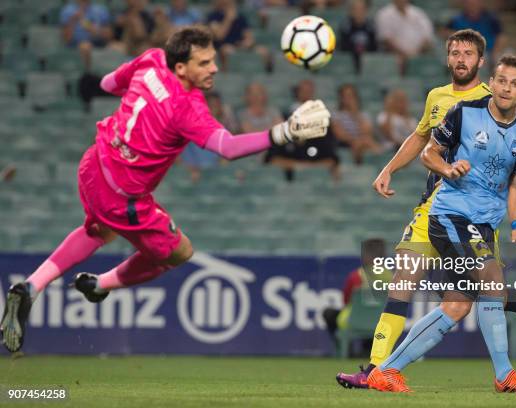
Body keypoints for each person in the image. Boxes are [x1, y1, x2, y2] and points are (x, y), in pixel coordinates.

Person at [0, 26, 330, 353]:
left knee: (100, 230)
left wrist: (142, 97)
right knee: (180, 252)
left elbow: (107, 83)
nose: (214, 68)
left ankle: (32, 286)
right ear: (181, 67)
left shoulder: (152, 60)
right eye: (204, 63)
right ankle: (101, 284)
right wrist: (284, 132)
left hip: (94, 164)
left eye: (213, 60)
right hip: (124, 197)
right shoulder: (187, 107)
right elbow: (227, 148)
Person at [336, 29, 516, 391]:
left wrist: (515, 221)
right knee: (406, 284)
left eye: (469, 54)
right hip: (438, 208)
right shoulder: (442, 100)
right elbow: (422, 140)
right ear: (448, 58)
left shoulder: (499, 103)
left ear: (483, 64)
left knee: (462, 301)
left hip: (480, 217)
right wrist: (389, 168)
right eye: (455, 53)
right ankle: (377, 369)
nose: (461, 59)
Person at [368, 55, 516, 394]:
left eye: (515, 83)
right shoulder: (465, 113)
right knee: (492, 280)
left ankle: (387, 371)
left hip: (484, 223)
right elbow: (429, 153)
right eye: (502, 81)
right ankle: (505, 375)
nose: (506, 88)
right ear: (492, 83)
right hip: (451, 213)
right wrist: (447, 169)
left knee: (457, 305)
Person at [375, 0, 434, 71]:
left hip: (419, 56)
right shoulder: (384, 14)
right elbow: (386, 40)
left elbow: (427, 37)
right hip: (394, 57)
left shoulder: (418, 13)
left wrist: (415, 55)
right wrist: (405, 55)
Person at [331, 83, 381, 164]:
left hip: (364, 140)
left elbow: (367, 132)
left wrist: (355, 114)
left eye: (351, 96)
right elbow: (340, 134)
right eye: (346, 96)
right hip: (345, 143)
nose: (349, 99)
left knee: (367, 141)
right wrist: (355, 140)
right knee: (360, 143)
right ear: (341, 98)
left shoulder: (363, 114)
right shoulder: (336, 115)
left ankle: (382, 162)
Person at [60, 0, 113, 70]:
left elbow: (109, 35)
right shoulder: (68, 11)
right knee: (85, 46)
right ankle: (89, 75)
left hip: (99, 43)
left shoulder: (100, 10)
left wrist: (95, 30)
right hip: (75, 46)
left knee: (118, 47)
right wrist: (72, 21)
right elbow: (66, 39)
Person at [339, 0, 377, 72]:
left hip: (367, 59)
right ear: (351, 11)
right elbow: (343, 47)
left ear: (366, 11)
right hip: (350, 60)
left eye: (361, 9)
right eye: (356, 9)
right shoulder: (346, 27)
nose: (359, 12)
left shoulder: (371, 27)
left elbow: (374, 47)